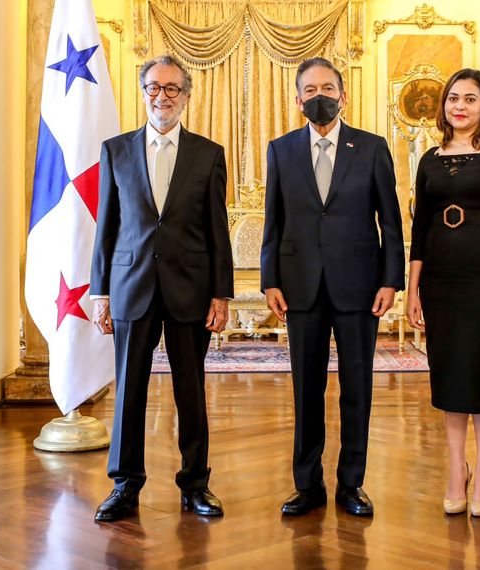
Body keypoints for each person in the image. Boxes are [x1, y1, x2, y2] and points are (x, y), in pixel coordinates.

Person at [90, 54, 234, 522]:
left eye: (172, 88)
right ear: (143, 92)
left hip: (191, 290)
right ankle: (124, 486)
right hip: (131, 286)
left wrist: (221, 293)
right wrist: (100, 291)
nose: (162, 96)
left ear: (186, 96)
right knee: (129, 391)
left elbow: (217, 231)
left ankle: (195, 483)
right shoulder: (115, 151)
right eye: (154, 87)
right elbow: (106, 229)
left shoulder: (209, 154)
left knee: (190, 393)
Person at [261, 57, 405, 517]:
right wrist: (270, 281)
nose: (318, 95)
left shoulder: (373, 147)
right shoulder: (280, 150)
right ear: (298, 99)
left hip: (360, 286)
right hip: (300, 286)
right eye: (309, 89)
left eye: (327, 87)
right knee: (306, 388)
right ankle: (307, 485)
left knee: (356, 387)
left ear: (343, 96)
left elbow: (391, 221)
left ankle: (351, 483)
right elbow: (273, 221)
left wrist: (390, 279)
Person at [406, 68, 480, 517]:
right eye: (453, 98)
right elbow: (418, 230)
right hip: (439, 278)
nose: (460, 105)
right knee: (449, 373)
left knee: (479, 372)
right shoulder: (430, 158)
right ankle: (457, 468)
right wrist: (412, 290)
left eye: (470, 99)